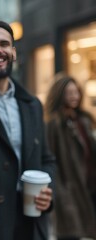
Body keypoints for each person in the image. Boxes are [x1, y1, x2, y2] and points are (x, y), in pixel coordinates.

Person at [0, 19, 56, 240]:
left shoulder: (32, 105)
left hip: (32, 222)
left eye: (4, 44)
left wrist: (48, 191)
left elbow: (46, 159)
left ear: (13, 52)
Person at [44, 73, 96, 240]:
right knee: (70, 233)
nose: (74, 96)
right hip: (68, 189)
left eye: (76, 92)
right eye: (69, 92)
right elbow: (50, 158)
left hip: (89, 184)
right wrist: (58, 192)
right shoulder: (54, 124)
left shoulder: (84, 120)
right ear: (60, 94)